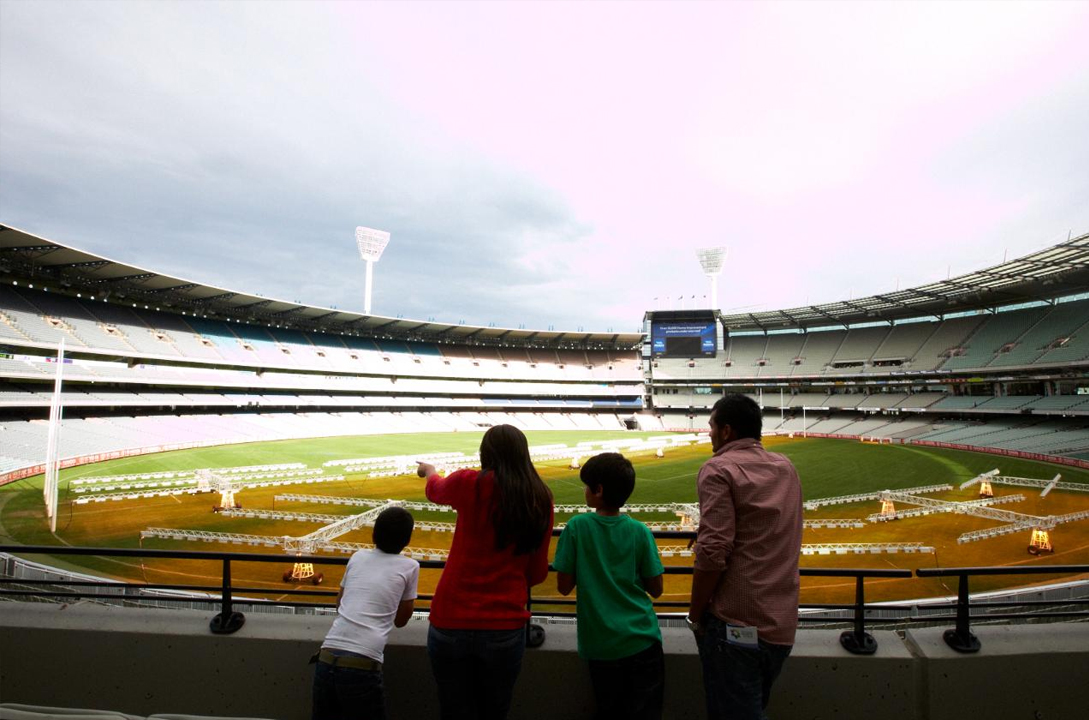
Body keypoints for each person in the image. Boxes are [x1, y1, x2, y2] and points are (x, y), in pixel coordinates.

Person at [417, 424, 554, 720]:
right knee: (494, 711)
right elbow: (537, 573)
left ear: (485, 453)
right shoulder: (540, 497)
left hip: (450, 618)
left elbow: (434, 490)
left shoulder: (468, 483)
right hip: (505, 624)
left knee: (453, 710)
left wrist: (429, 470)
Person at [686, 394, 803, 720]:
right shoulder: (786, 467)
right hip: (781, 625)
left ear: (726, 431)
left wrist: (695, 615)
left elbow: (713, 553)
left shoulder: (717, 469)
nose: (709, 432)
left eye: (712, 426)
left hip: (734, 626)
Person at [553, 452, 665, 720]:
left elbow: (563, 586)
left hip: (601, 646)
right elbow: (657, 589)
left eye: (587, 485)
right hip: (643, 640)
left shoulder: (576, 527)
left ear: (599, 490)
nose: (584, 490)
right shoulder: (640, 531)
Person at [312, 505, 419, 720]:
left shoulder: (357, 557)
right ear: (407, 540)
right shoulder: (411, 566)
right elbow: (401, 620)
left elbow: (340, 603)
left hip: (325, 657)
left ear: (374, 534)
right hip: (363, 665)